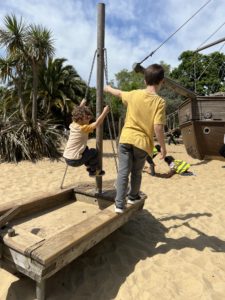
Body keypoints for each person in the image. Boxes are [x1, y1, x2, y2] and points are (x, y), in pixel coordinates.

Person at [104, 63, 167, 213]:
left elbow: (119, 93)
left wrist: (108, 88)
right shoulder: (160, 102)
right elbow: (158, 126)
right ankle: (132, 197)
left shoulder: (134, 94)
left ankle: (119, 205)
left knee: (123, 172)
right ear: (161, 81)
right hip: (142, 143)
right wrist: (163, 147)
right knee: (136, 172)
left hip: (126, 139)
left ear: (145, 81)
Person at [63, 99, 110, 176]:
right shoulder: (83, 128)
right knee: (94, 152)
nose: (89, 120)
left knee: (86, 149)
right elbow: (97, 123)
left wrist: (82, 104)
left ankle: (89, 166)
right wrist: (104, 112)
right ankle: (94, 171)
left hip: (67, 157)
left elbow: (77, 114)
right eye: (87, 118)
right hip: (75, 160)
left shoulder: (73, 124)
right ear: (80, 119)